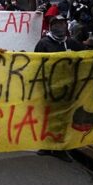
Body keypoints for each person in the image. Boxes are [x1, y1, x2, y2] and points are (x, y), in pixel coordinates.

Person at [34, 15, 85, 162]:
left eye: (62, 23)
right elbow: (35, 63)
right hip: (49, 87)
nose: (60, 27)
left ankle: (59, 148)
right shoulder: (43, 43)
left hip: (67, 88)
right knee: (48, 116)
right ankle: (46, 144)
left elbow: (87, 57)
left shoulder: (71, 43)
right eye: (56, 24)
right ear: (51, 26)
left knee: (63, 117)